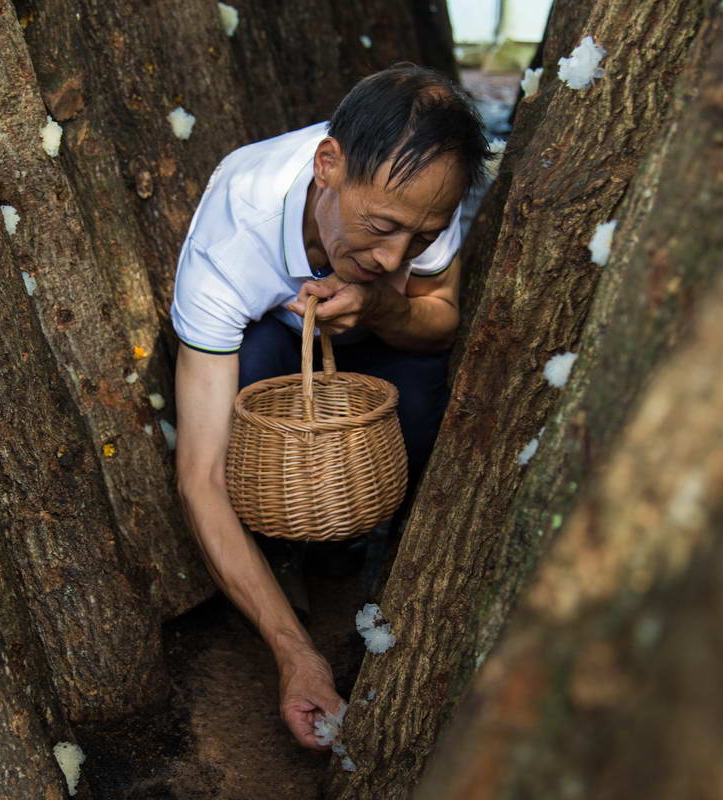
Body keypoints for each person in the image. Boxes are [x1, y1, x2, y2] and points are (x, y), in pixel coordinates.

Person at [171, 64, 493, 749]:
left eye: (422, 237)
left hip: (384, 342)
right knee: (250, 374)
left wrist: (381, 306)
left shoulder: (433, 190)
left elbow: (439, 318)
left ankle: (357, 544)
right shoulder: (234, 235)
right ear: (327, 165)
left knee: (420, 395)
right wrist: (293, 653)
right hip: (281, 352)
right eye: (380, 226)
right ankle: (291, 561)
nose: (395, 254)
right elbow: (200, 477)